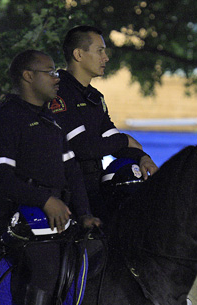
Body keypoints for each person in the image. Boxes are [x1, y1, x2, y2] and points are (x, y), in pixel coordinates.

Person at [0, 49, 100, 305]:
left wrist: (85, 214)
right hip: (17, 218)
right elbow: (2, 179)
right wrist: (44, 200)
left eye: (56, 72)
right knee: (46, 269)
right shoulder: (5, 119)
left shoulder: (51, 120)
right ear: (27, 77)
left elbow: (73, 172)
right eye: (49, 72)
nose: (57, 78)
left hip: (59, 219)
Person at [50, 25, 158, 223]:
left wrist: (142, 157)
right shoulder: (59, 93)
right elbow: (82, 148)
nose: (106, 58)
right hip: (66, 195)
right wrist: (124, 141)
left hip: (94, 187)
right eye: (100, 51)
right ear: (78, 54)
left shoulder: (94, 97)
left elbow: (110, 136)